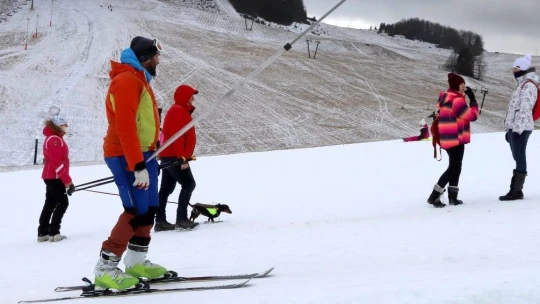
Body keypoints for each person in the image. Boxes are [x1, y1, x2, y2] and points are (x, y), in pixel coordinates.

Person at [94, 36, 168, 290]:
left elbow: (142, 122)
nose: (159, 60)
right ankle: (105, 269)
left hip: (144, 154)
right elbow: (125, 125)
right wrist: (137, 165)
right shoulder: (126, 80)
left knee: (149, 208)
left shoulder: (139, 79)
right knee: (134, 210)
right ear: (146, 58)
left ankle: (136, 262)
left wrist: (151, 151)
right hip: (125, 156)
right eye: (156, 55)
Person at [426, 73, 479, 208]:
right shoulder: (456, 100)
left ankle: (453, 197)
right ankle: (434, 195)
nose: (464, 87)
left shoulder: (447, 97)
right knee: (454, 167)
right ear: (456, 85)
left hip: (448, 137)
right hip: (455, 137)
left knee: (456, 166)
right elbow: (472, 116)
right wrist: (473, 100)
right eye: (462, 85)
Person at [156, 84, 200, 231]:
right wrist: (183, 158)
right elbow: (177, 137)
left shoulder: (179, 110)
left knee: (166, 189)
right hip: (175, 157)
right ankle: (181, 218)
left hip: (169, 156)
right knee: (189, 184)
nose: (193, 98)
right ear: (185, 97)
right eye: (191, 95)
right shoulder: (179, 111)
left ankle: (160, 221)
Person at [499, 55, 538, 201]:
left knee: (519, 156)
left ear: (522, 69)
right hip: (514, 127)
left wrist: (517, 129)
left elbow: (525, 109)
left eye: (516, 68)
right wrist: (509, 129)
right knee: (517, 156)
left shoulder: (529, 85)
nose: (513, 71)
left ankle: (516, 191)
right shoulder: (521, 84)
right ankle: (516, 190)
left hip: (521, 128)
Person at [38, 107, 74, 242]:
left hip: (51, 177)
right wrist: (67, 181)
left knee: (50, 203)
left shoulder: (53, 138)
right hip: (54, 177)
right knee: (62, 203)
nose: (66, 127)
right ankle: (54, 232)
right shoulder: (54, 139)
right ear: (58, 125)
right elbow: (56, 163)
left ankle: (43, 233)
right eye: (64, 124)